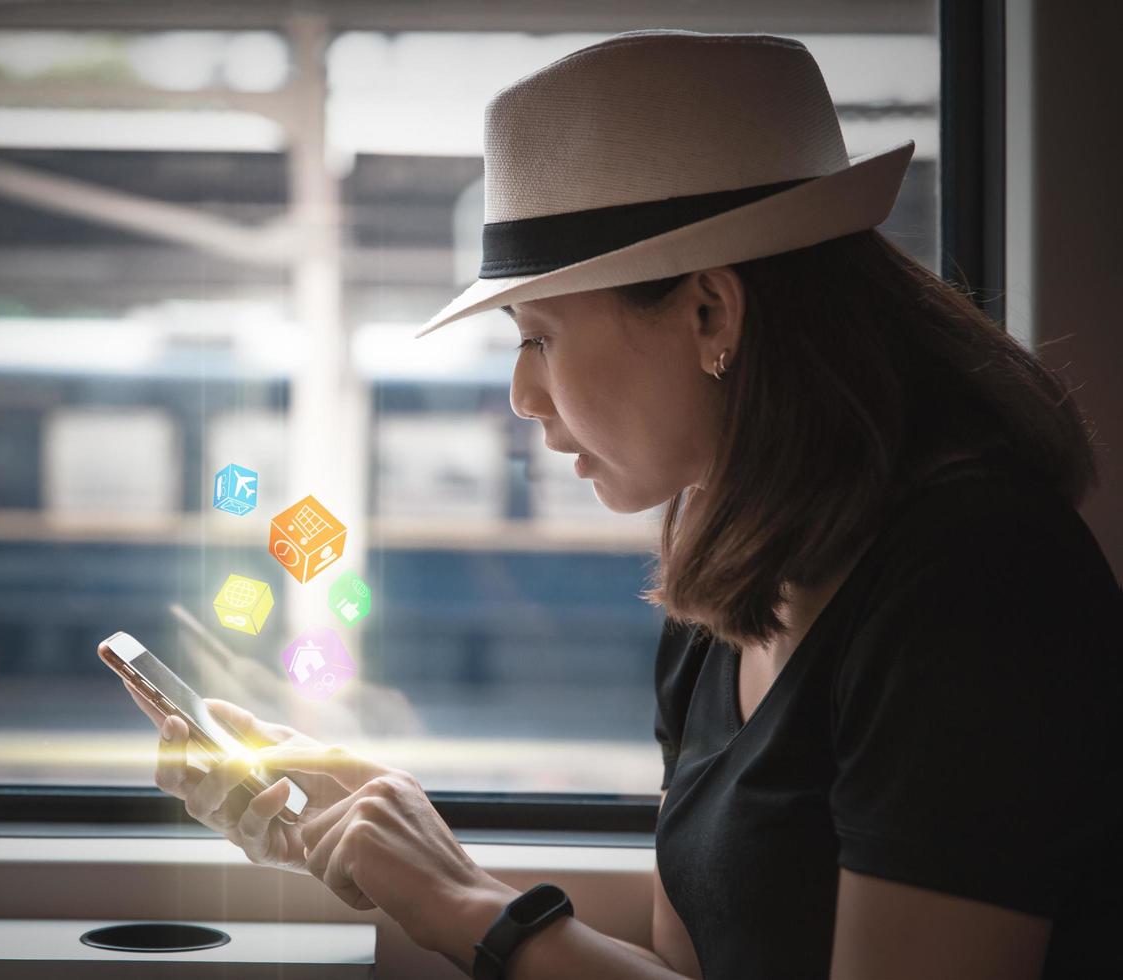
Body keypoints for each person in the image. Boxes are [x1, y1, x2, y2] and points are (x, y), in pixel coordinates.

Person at [116, 30, 1121, 979]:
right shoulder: (726, 587)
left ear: (708, 312)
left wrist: (468, 907)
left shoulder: (978, 586)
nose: (520, 392)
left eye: (540, 335)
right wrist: (417, 853)